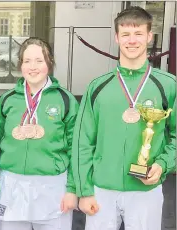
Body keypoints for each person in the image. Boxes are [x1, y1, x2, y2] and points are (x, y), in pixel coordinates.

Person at [72, 6, 176, 230]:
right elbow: (82, 142)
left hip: (145, 190)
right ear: (117, 37)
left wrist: (162, 164)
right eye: (126, 34)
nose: (132, 40)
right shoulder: (98, 86)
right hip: (101, 189)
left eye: (138, 33)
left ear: (149, 36)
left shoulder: (167, 85)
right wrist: (84, 190)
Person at [0, 37, 79, 230]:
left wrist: (73, 189)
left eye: (39, 61)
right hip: (11, 187)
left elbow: (77, 149)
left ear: (49, 64)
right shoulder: (8, 100)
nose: (33, 67)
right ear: (20, 65)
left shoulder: (65, 100)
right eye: (27, 61)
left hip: (53, 189)